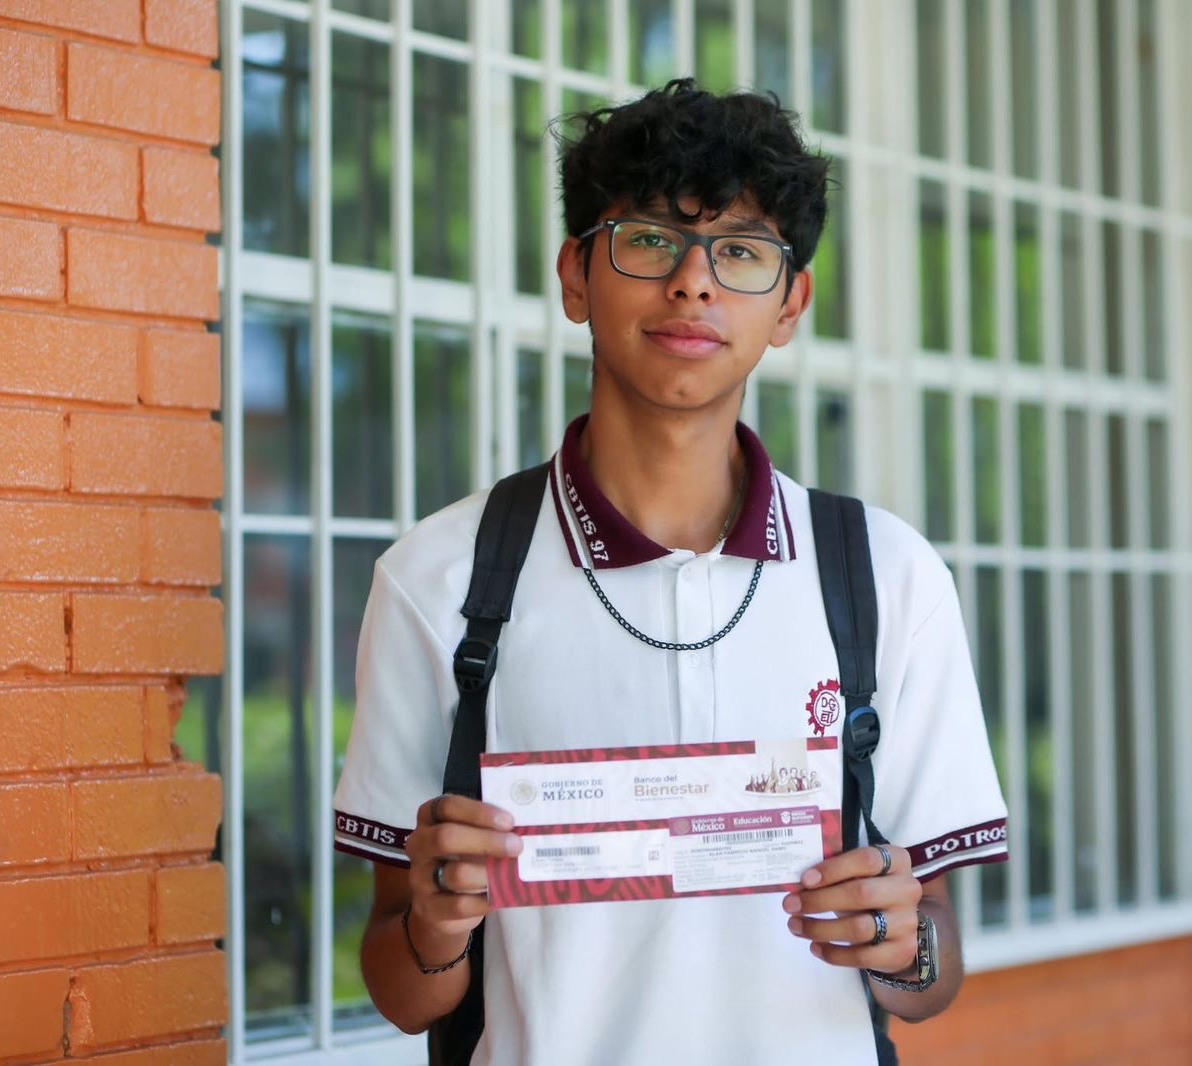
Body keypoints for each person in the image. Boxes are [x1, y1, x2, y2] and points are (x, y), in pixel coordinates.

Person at [333, 79, 1008, 1065]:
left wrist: (901, 943)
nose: (694, 283)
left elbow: (931, 975)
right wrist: (436, 926)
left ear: (790, 303)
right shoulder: (441, 579)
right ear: (576, 275)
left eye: (740, 251)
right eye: (649, 239)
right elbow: (401, 990)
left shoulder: (885, 575)